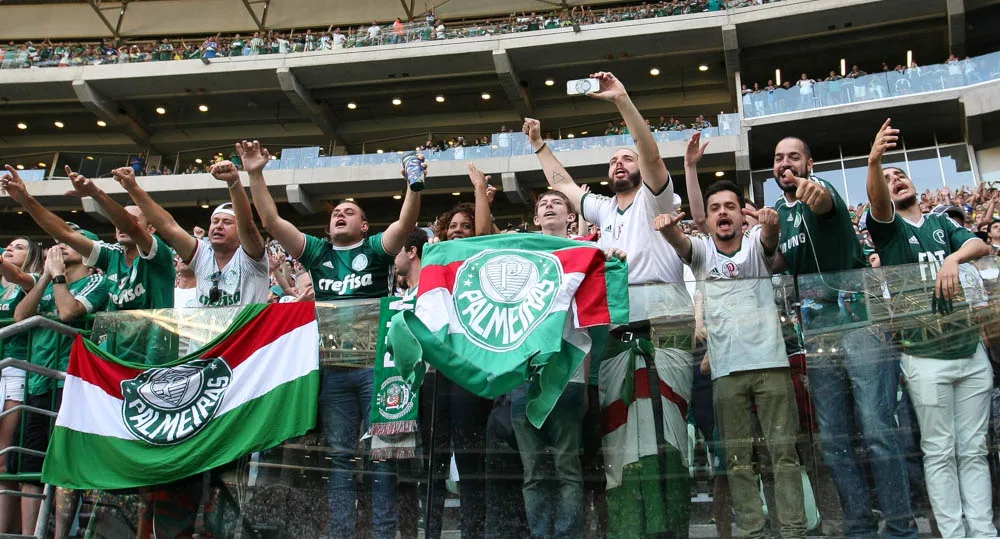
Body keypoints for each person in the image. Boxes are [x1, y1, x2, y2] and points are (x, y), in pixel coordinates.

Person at [244, 139, 421, 539]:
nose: (340, 214)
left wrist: (414, 185)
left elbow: (404, 225)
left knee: (383, 458)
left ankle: (383, 534)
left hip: (378, 370)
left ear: (363, 226)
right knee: (340, 458)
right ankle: (341, 532)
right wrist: (255, 174)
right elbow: (271, 222)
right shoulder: (317, 253)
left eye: (350, 212)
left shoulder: (376, 249)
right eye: (336, 212)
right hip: (334, 372)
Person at [771, 136, 917, 538]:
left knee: (876, 430)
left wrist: (812, 192)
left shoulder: (822, 188)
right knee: (834, 439)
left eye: (794, 157)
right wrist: (766, 239)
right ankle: (859, 526)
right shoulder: (779, 216)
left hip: (860, 325)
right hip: (817, 333)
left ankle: (902, 527)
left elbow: (822, 201)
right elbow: (777, 261)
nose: (786, 164)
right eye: (779, 158)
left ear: (809, 163)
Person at [656, 181, 808, 539]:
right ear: (707, 220)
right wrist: (667, 231)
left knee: (783, 454)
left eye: (730, 206)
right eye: (715, 208)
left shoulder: (756, 244)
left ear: (743, 215)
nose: (723, 212)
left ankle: (793, 531)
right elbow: (679, 242)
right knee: (739, 461)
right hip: (725, 371)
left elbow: (770, 237)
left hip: (770, 364)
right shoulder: (702, 252)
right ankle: (752, 531)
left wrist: (770, 223)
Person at [866, 119, 994, 538]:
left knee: (973, 450)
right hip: (925, 357)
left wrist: (953, 259)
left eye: (899, 172)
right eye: (887, 178)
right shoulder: (889, 231)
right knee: (940, 452)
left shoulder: (942, 224)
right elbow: (878, 202)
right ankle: (954, 534)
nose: (895, 179)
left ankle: (984, 531)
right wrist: (874, 161)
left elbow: (981, 244)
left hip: (971, 352)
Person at [1, 165, 175, 363]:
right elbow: (65, 233)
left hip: (152, 359)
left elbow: (131, 228)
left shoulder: (158, 254)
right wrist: (26, 199)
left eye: (131, 218)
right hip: (114, 359)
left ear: (151, 228)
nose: (121, 224)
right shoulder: (112, 255)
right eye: (119, 218)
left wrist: (96, 193)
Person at [13, 237, 109, 539]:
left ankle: (60, 535)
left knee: (63, 463)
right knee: (31, 463)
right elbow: (19, 316)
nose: (61, 246)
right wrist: (44, 276)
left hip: (69, 382)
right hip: (37, 381)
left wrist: (57, 277)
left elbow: (68, 312)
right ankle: (31, 535)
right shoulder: (47, 282)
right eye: (57, 243)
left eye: (70, 241)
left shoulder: (96, 283)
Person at [108, 163, 269, 306]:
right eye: (215, 221)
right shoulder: (202, 255)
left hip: (247, 340)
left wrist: (233, 183)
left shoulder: (252, 259)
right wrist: (132, 187)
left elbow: (247, 226)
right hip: (206, 341)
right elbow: (167, 226)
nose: (218, 226)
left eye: (227, 222)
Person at [0, 237, 42, 532]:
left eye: (19, 247)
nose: (10, 249)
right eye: (9, 246)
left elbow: (15, 275)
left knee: (4, 454)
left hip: (16, 370)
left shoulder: (33, 281)